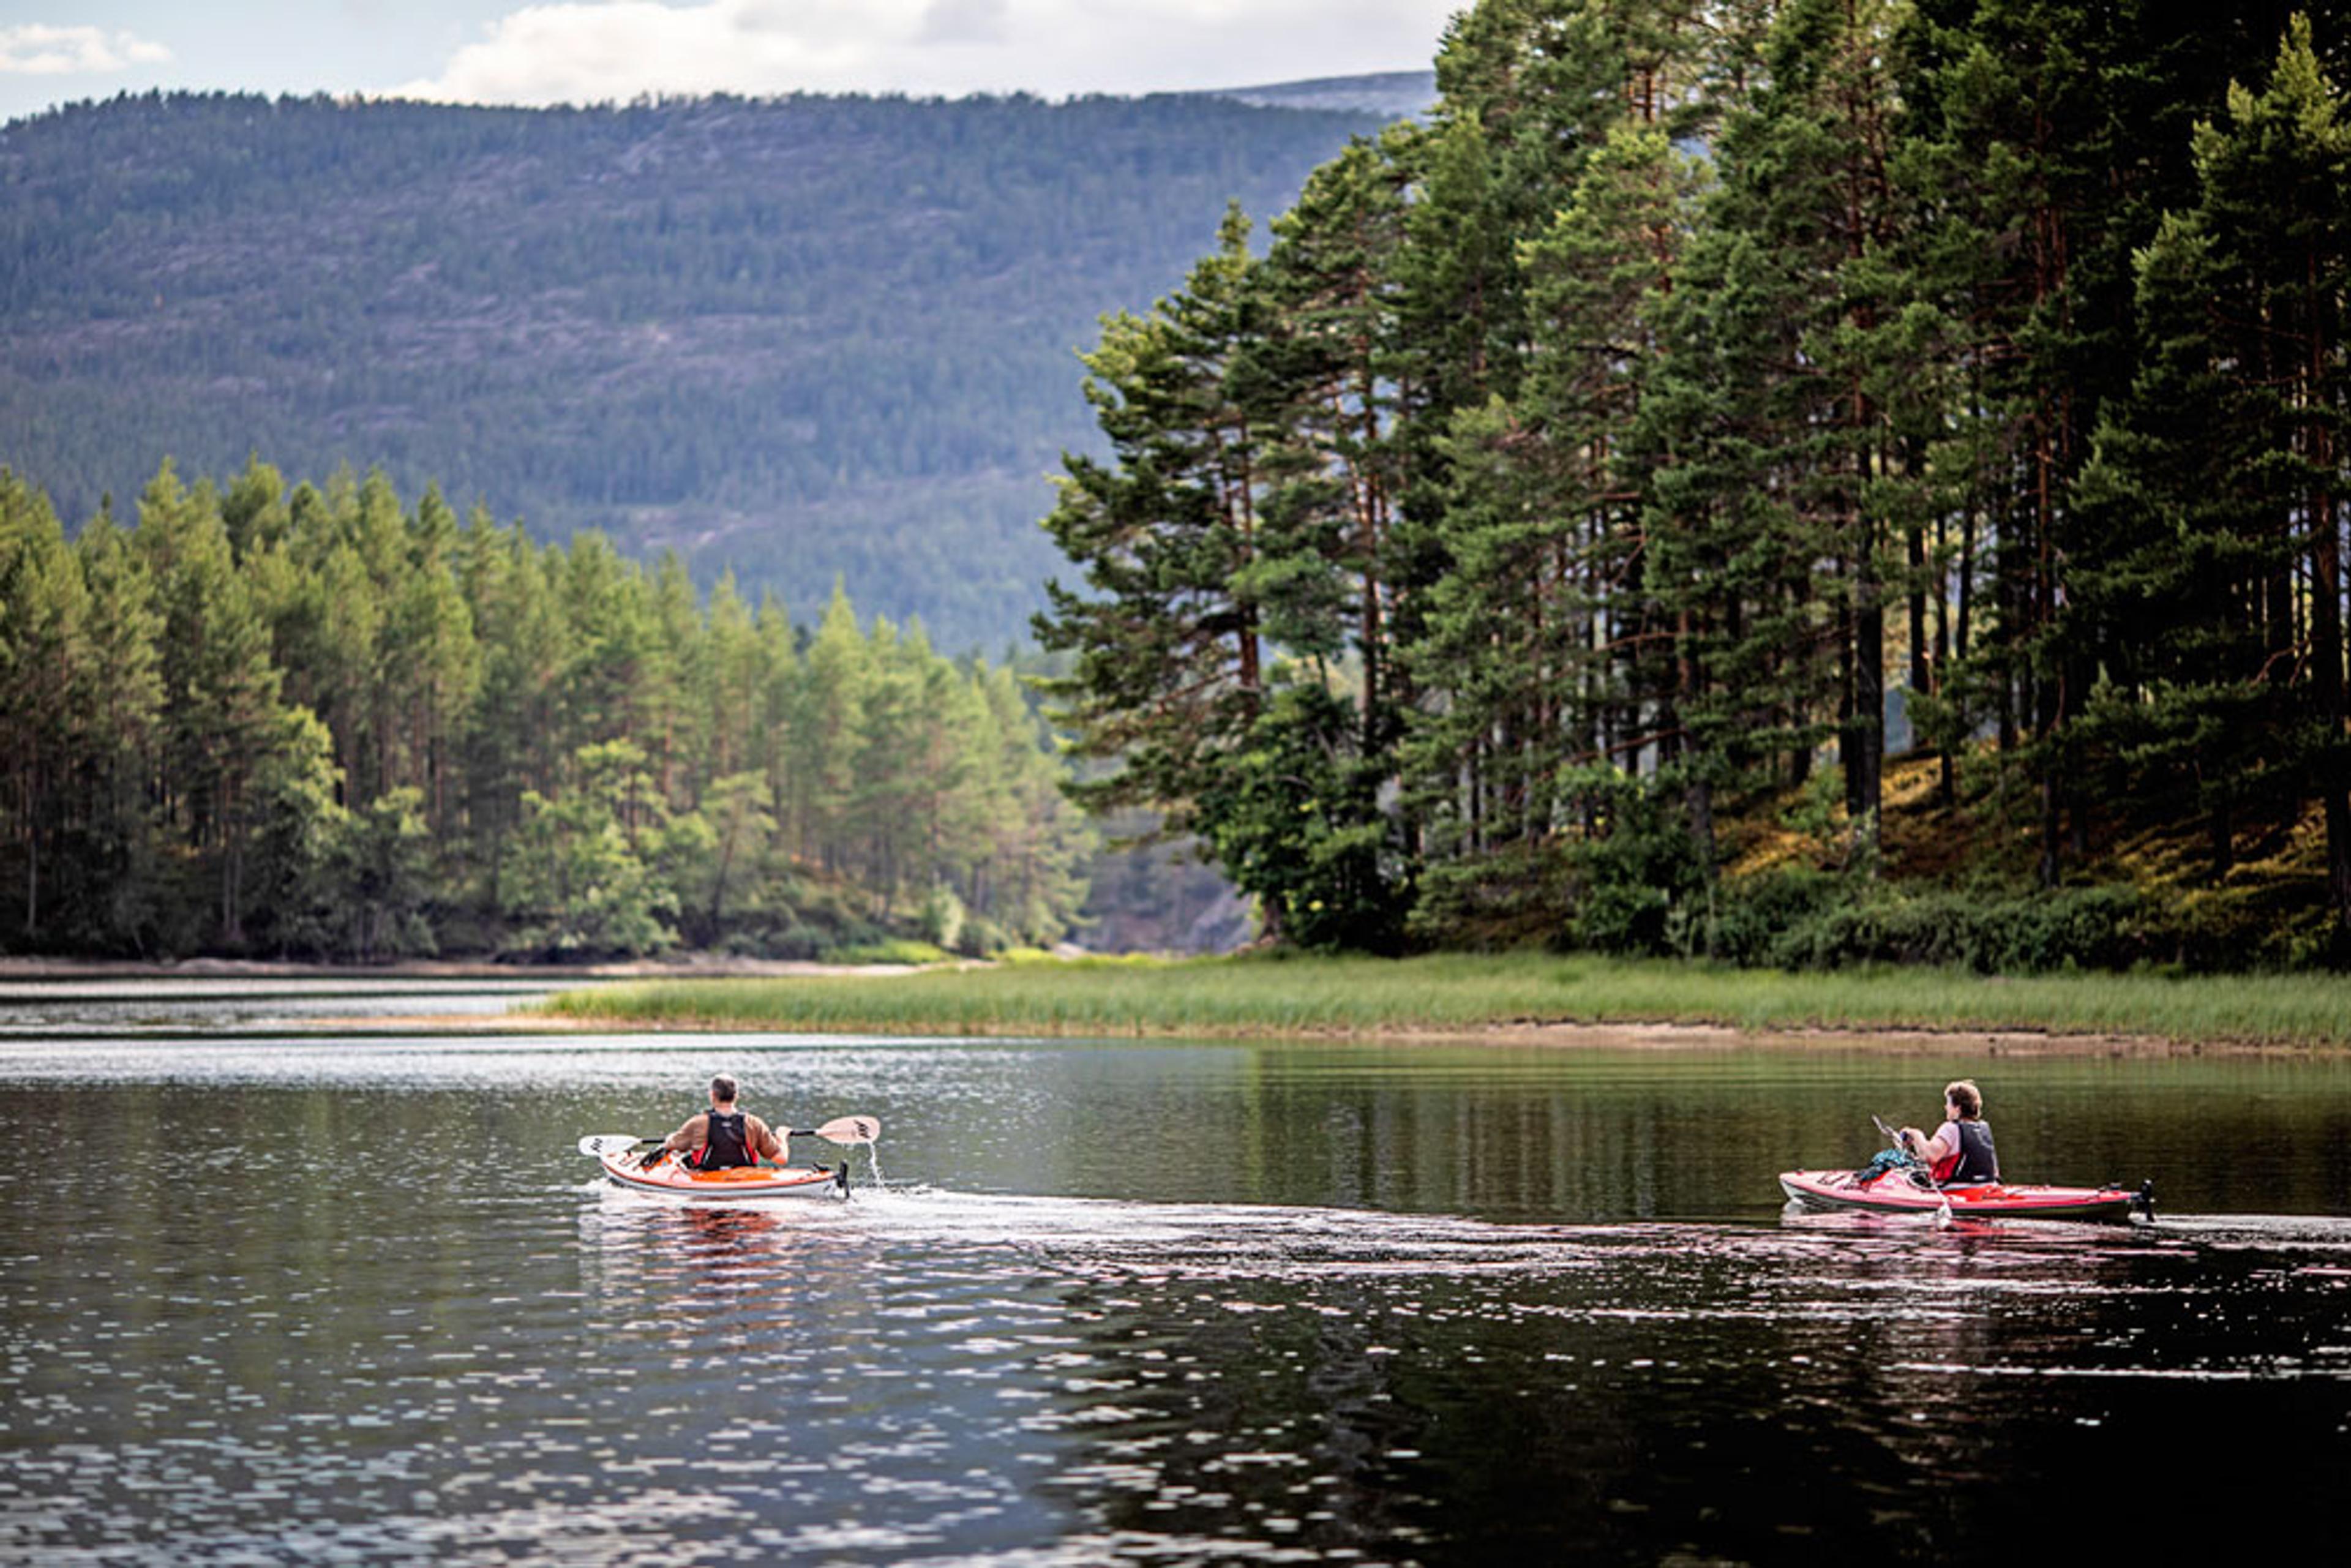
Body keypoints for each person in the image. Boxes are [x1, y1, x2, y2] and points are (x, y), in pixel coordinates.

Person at [651, 1074, 786, 1169]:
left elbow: (669, 1146)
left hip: (706, 1181)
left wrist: (670, 1139)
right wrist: (781, 1137)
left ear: (712, 1096)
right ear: (736, 1096)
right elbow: (781, 1159)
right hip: (744, 1181)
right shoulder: (754, 1123)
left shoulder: (697, 1123)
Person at [1899, 1079, 1998, 1187]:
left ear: (1958, 1109)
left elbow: (1930, 1157)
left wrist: (1916, 1135)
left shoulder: (1950, 1129)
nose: (1945, 1107)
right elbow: (1995, 1171)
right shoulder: (1983, 1129)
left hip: (1955, 1189)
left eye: (1948, 1103)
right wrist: (1915, 1143)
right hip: (1988, 1187)